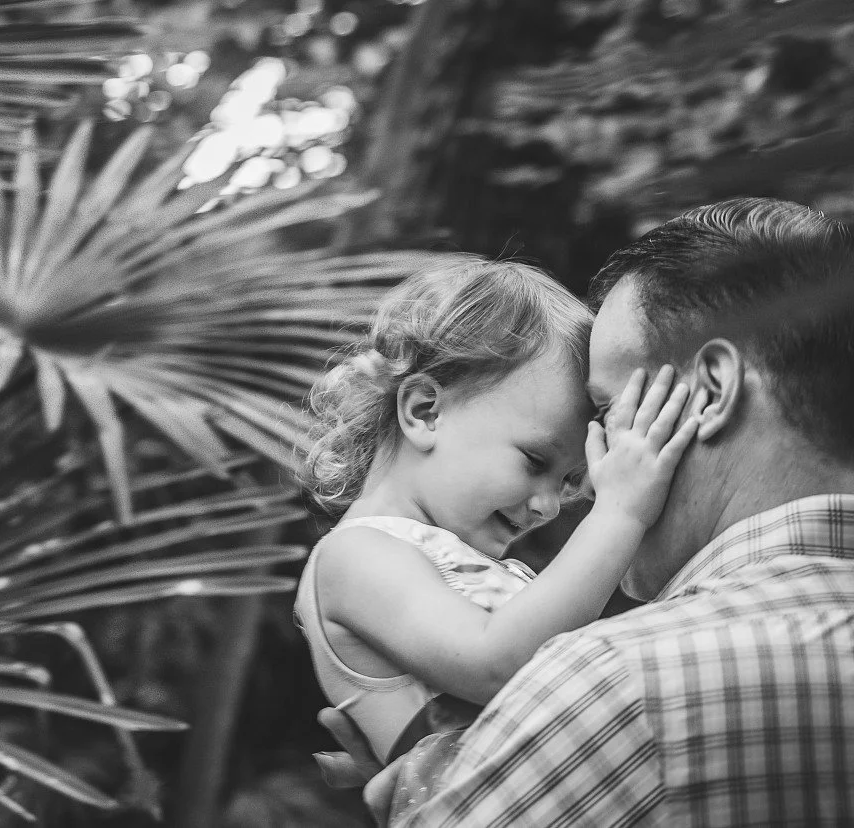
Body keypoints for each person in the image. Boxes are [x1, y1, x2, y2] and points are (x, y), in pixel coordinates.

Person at [320, 198, 854, 826]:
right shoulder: (365, 554)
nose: (582, 492)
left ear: (709, 393)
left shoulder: (623, 685)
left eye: (605, 417)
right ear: (424, 412)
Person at [294, 255, 701, 821]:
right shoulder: (355, 555)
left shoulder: (430, 556)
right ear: (425, 410)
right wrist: (620, 513)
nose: (549, 504)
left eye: (569, 484)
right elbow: (496, 665)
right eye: (536, 461)